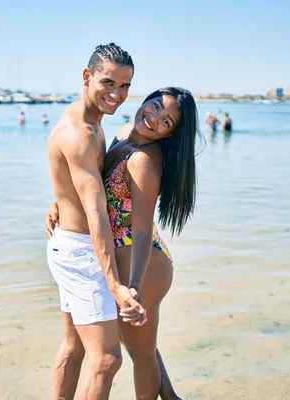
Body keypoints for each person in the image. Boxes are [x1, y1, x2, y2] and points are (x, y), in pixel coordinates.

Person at [48, 87, 201, 399]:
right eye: (156, 106)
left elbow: (143, 231)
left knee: (141, 353)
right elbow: (88, 182)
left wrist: (133, 285)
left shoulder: (144, 160)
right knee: (140, 345)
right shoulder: (123, 132)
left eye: (167, 122)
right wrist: (59, 204)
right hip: (118, 256)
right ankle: (171, 396)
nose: (155, 118)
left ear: (170, 134)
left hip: (141, 263)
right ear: (145, 100)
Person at [45, 43, 145, 400]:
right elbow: (96, 212)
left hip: (68, 245)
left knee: (74, 346)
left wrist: (57, 201)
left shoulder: (87, 121)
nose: (117, 94)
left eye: (125, 86)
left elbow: (71, 177)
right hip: (81, 251)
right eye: (108, 83)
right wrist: (116, 285)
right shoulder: (82, 133)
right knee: (106, 358)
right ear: (87, 77)